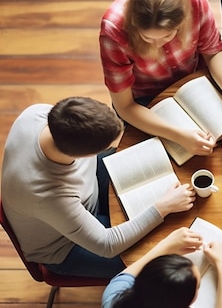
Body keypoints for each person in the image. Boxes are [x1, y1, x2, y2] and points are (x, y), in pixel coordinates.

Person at [0, 97, 194, 278]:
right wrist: (164, 207)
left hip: (83, 196)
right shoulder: (47, 195)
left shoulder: (37, 114)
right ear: (84, 156)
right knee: (162, 262)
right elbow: (107, 244)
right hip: (66, 246)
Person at [100, 0, 222, 157]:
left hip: (197, 80)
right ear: (134, 24)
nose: (159, 44)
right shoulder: (113, 30)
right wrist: (177, 135)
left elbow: (214, 52)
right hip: (145, 100)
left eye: (168, 35)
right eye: (148, 38)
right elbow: (124, 106)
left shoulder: (193, 0)